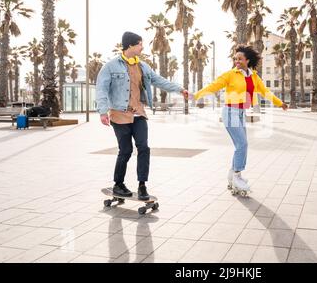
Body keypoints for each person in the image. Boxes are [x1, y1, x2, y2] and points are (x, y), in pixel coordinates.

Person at [96, 31, 188, 200]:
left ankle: (142, 185)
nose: (142, 47)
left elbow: (159, 80)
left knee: (144, 148)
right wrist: (103, 112)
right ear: (130, 45)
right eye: (139, 44)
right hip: (119, 114)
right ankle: (118, 184)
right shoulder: (110, 66)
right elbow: (101, 88)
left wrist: (179, 89)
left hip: (139, 114)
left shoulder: (143, 66)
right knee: (125, 150)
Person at [194, 45, 288, 195]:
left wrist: (279, 103)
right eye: (235, 58)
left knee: (241, 145)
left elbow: (265, 92)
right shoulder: (230, 74)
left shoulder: (254, 77)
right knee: (242, 144)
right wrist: (196, 95)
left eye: (240, 58)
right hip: (230, 112)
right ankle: (237, 175)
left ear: (247, 60)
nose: (237, 61)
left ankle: (233, 175)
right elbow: (214, 86)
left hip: (240, 113)